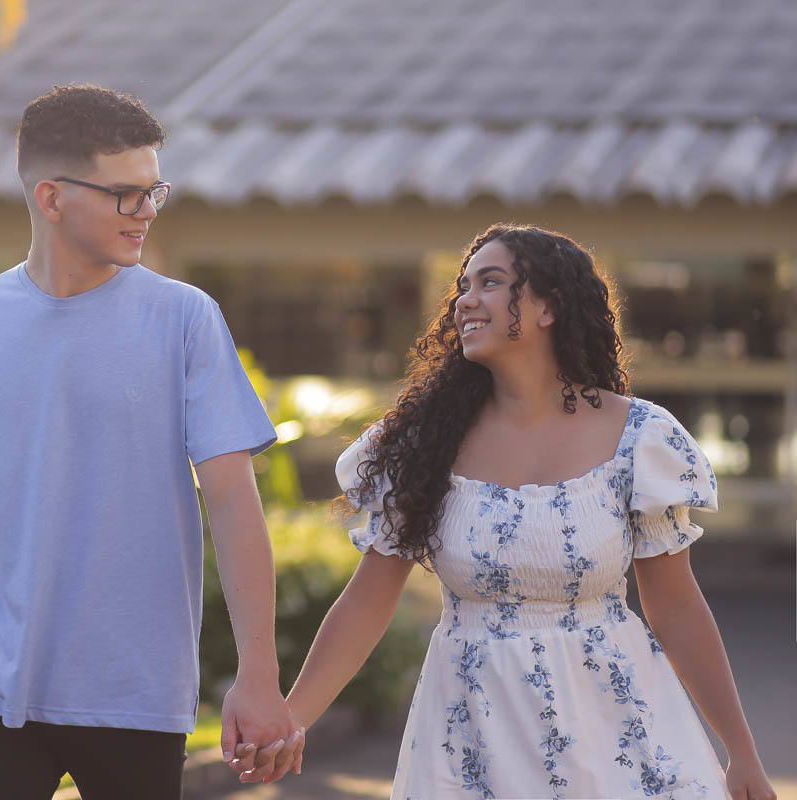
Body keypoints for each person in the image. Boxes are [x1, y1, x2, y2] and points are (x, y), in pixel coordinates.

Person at [0, 84, 303, 800]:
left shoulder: (184, 320)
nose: (147, 211)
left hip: (138, 693)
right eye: (126, 194)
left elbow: (231, 501)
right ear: (52, 197)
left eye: (154, 191)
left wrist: (259, 672)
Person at [232, 224, 776, 799]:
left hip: (613, 734)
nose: (465, 301)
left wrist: (740, 752)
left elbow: (677, 607)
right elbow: (367, 601)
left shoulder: (639, 438)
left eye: (490, 283)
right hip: (471, 737)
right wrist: (292, 720)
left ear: (548, 307)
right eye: (463, 287)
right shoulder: (423, 444)